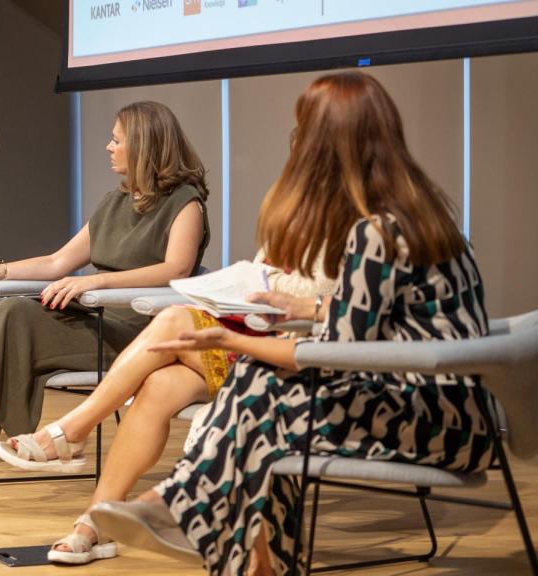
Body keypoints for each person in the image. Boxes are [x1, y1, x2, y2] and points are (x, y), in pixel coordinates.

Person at [90, 71, 493, 576]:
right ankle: (204, 523)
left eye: (302, 130)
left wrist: (234, 338)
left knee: (262, 390)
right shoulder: (423, 214)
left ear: (322, 145)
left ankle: (187, 508)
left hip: (435, 426)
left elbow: (343, 355)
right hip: (447, 410)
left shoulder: (377, 233)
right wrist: (315, 310)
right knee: (261, 391)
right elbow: (386, 323)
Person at [0, 101, 211, 513]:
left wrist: (97, 280)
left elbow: (176, 268)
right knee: (0, 362)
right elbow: (56, 262)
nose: (108, 147)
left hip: (138, 332)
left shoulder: (185, 202)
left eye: (117, 140)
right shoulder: (114, 202)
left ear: (144, 145)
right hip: (91, 319)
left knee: (17, 315)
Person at [0, 257, 334, 565]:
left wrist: (262, 279)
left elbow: (318, 294)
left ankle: (73, 433)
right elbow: (261, 279)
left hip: (298, 357)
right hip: (259, 344)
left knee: (173, 319)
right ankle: (95, 520)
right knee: (159, 385)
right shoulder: (296, 218)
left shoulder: (356, 228)